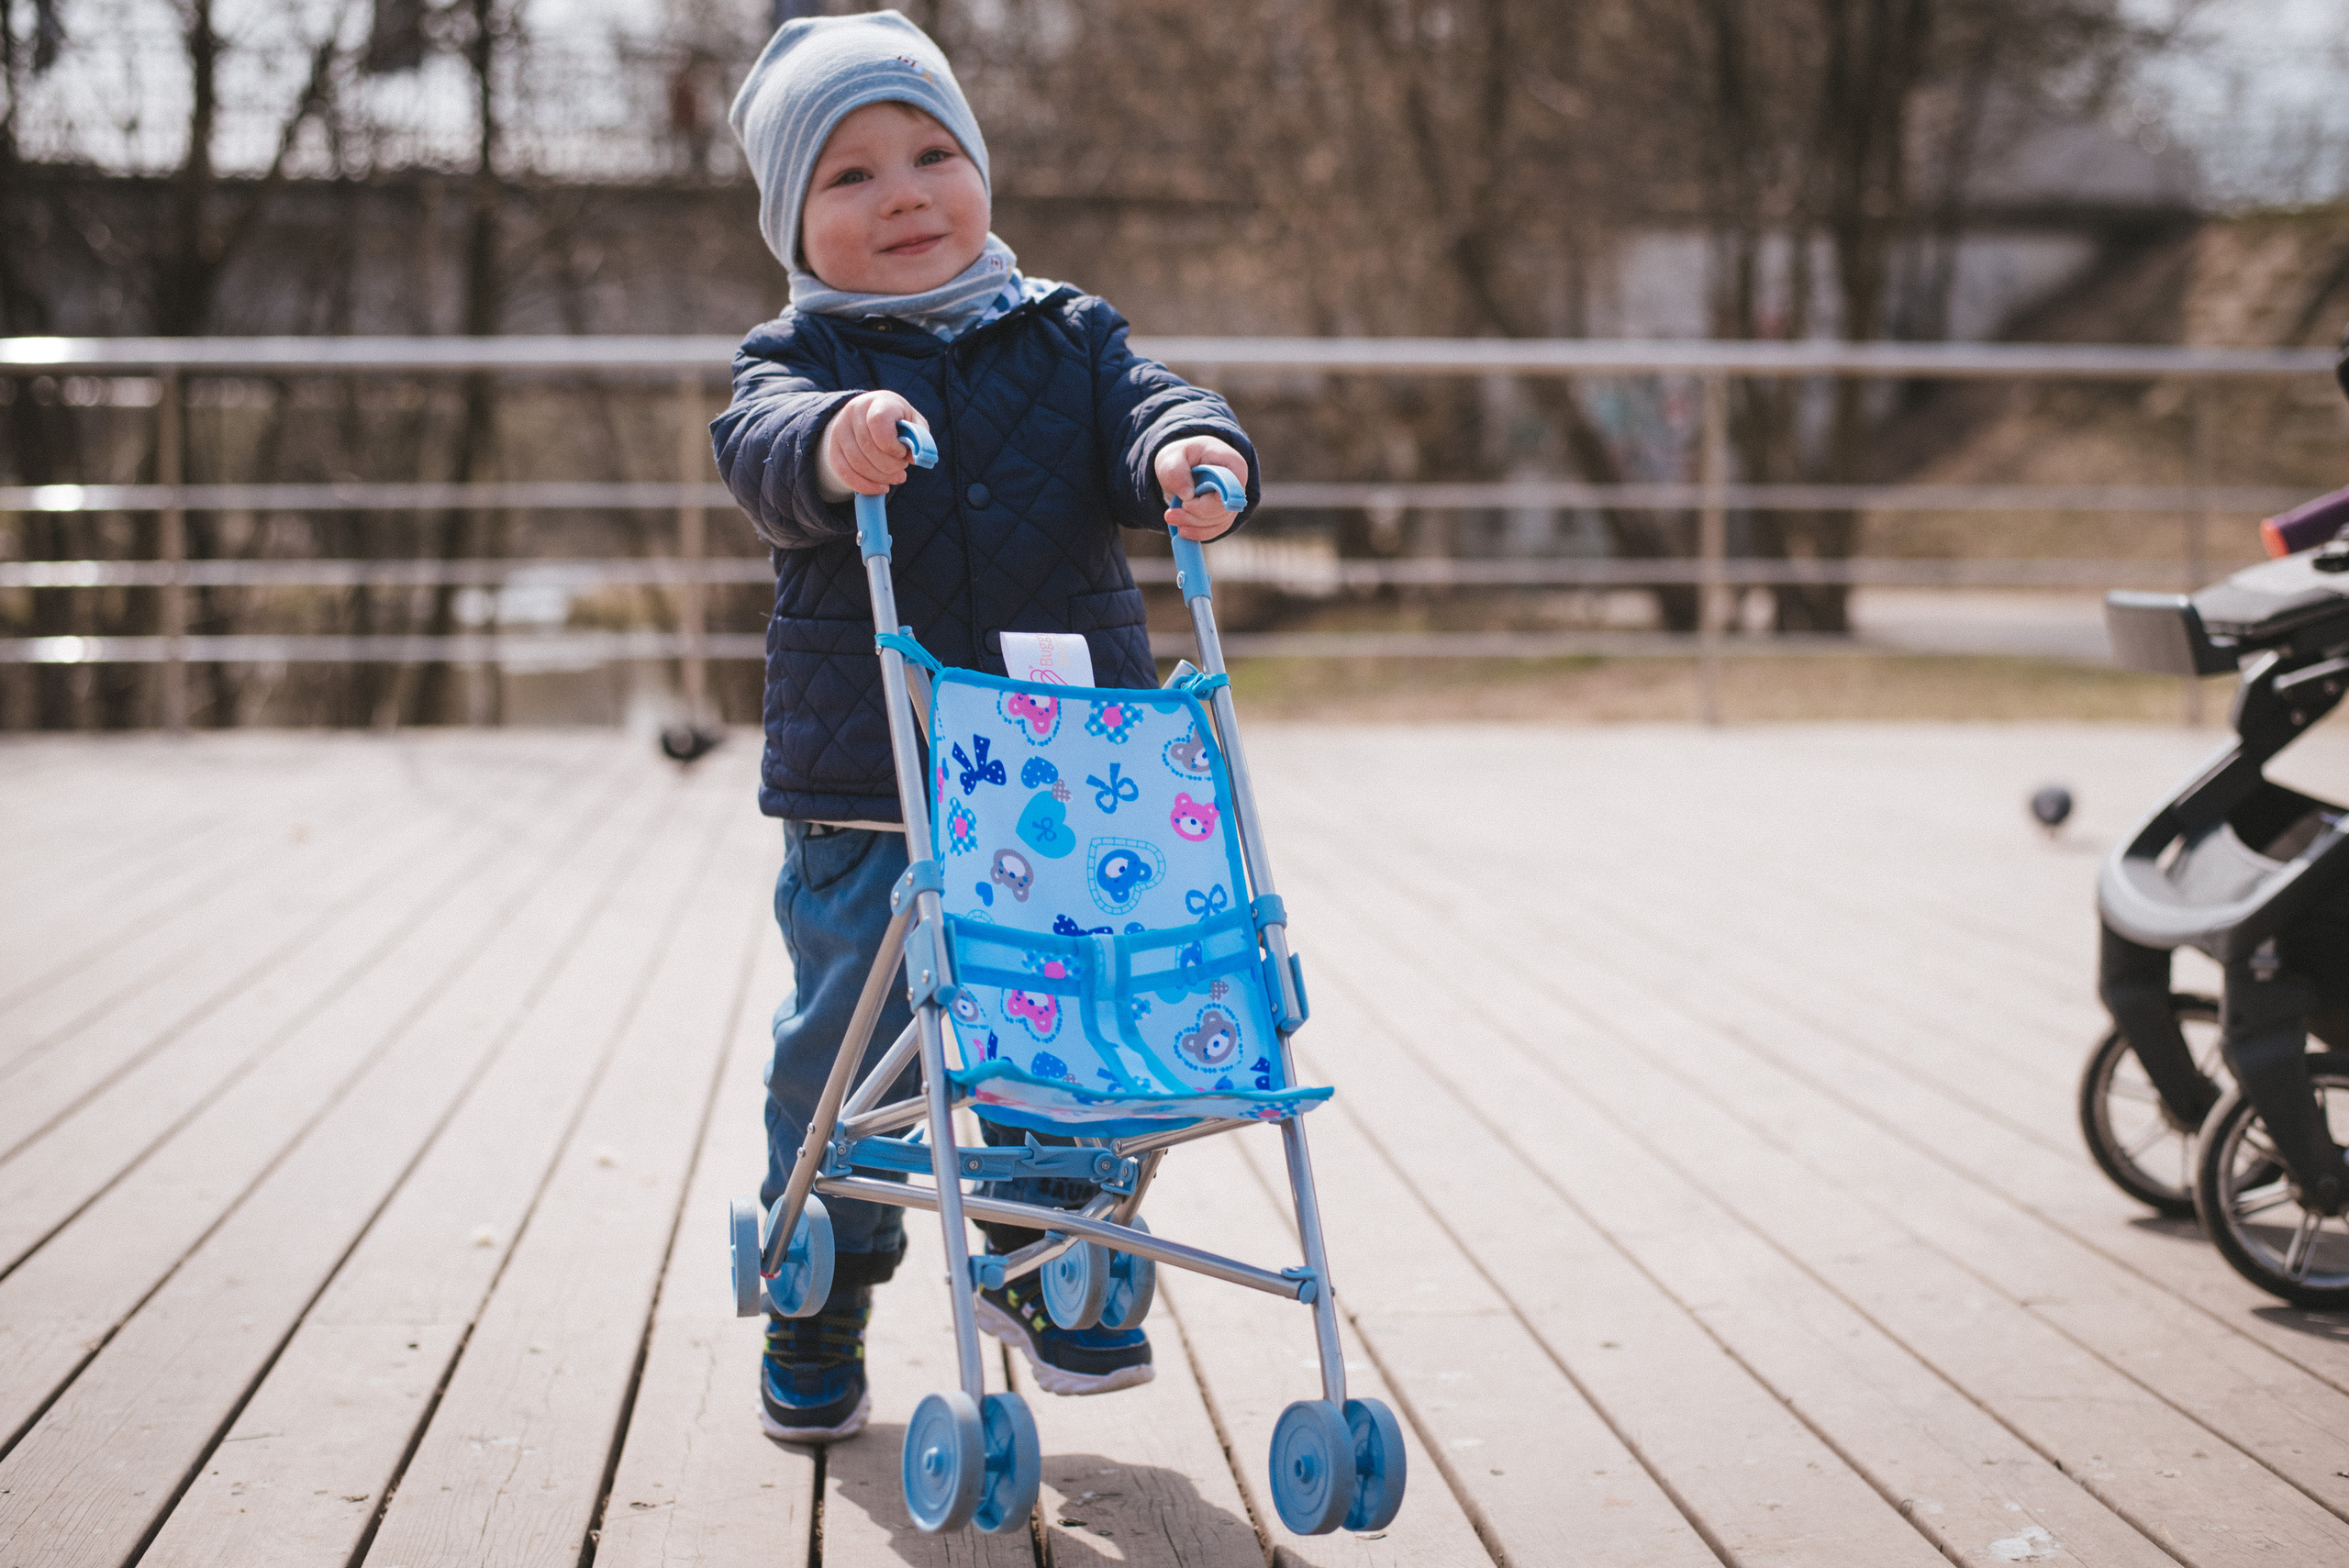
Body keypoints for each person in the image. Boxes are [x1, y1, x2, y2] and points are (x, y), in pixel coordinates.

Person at [711, 10, 1258, 1445]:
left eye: (932, 153)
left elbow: (1150, 405)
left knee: (1075, 1016)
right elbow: (761, 460)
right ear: (795, 220)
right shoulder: (797, 352)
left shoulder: (1069, 335)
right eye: (851, 176)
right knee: (851, 1036)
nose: (904, 193)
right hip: (870, 779)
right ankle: (820, 1267)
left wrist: (1190, 452)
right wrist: (833, 443)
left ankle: (1056, 1247)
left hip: (1065, 775)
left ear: (983, 171)